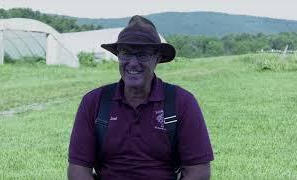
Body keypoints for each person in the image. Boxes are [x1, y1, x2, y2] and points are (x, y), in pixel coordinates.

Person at [68, 15, 214, 180]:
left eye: (142, 55)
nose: (132, 63)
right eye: (125, 53)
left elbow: (199, 171)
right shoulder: (94, 102)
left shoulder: (182, 103)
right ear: (118, 56)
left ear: (157, 58)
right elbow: (78, 169)